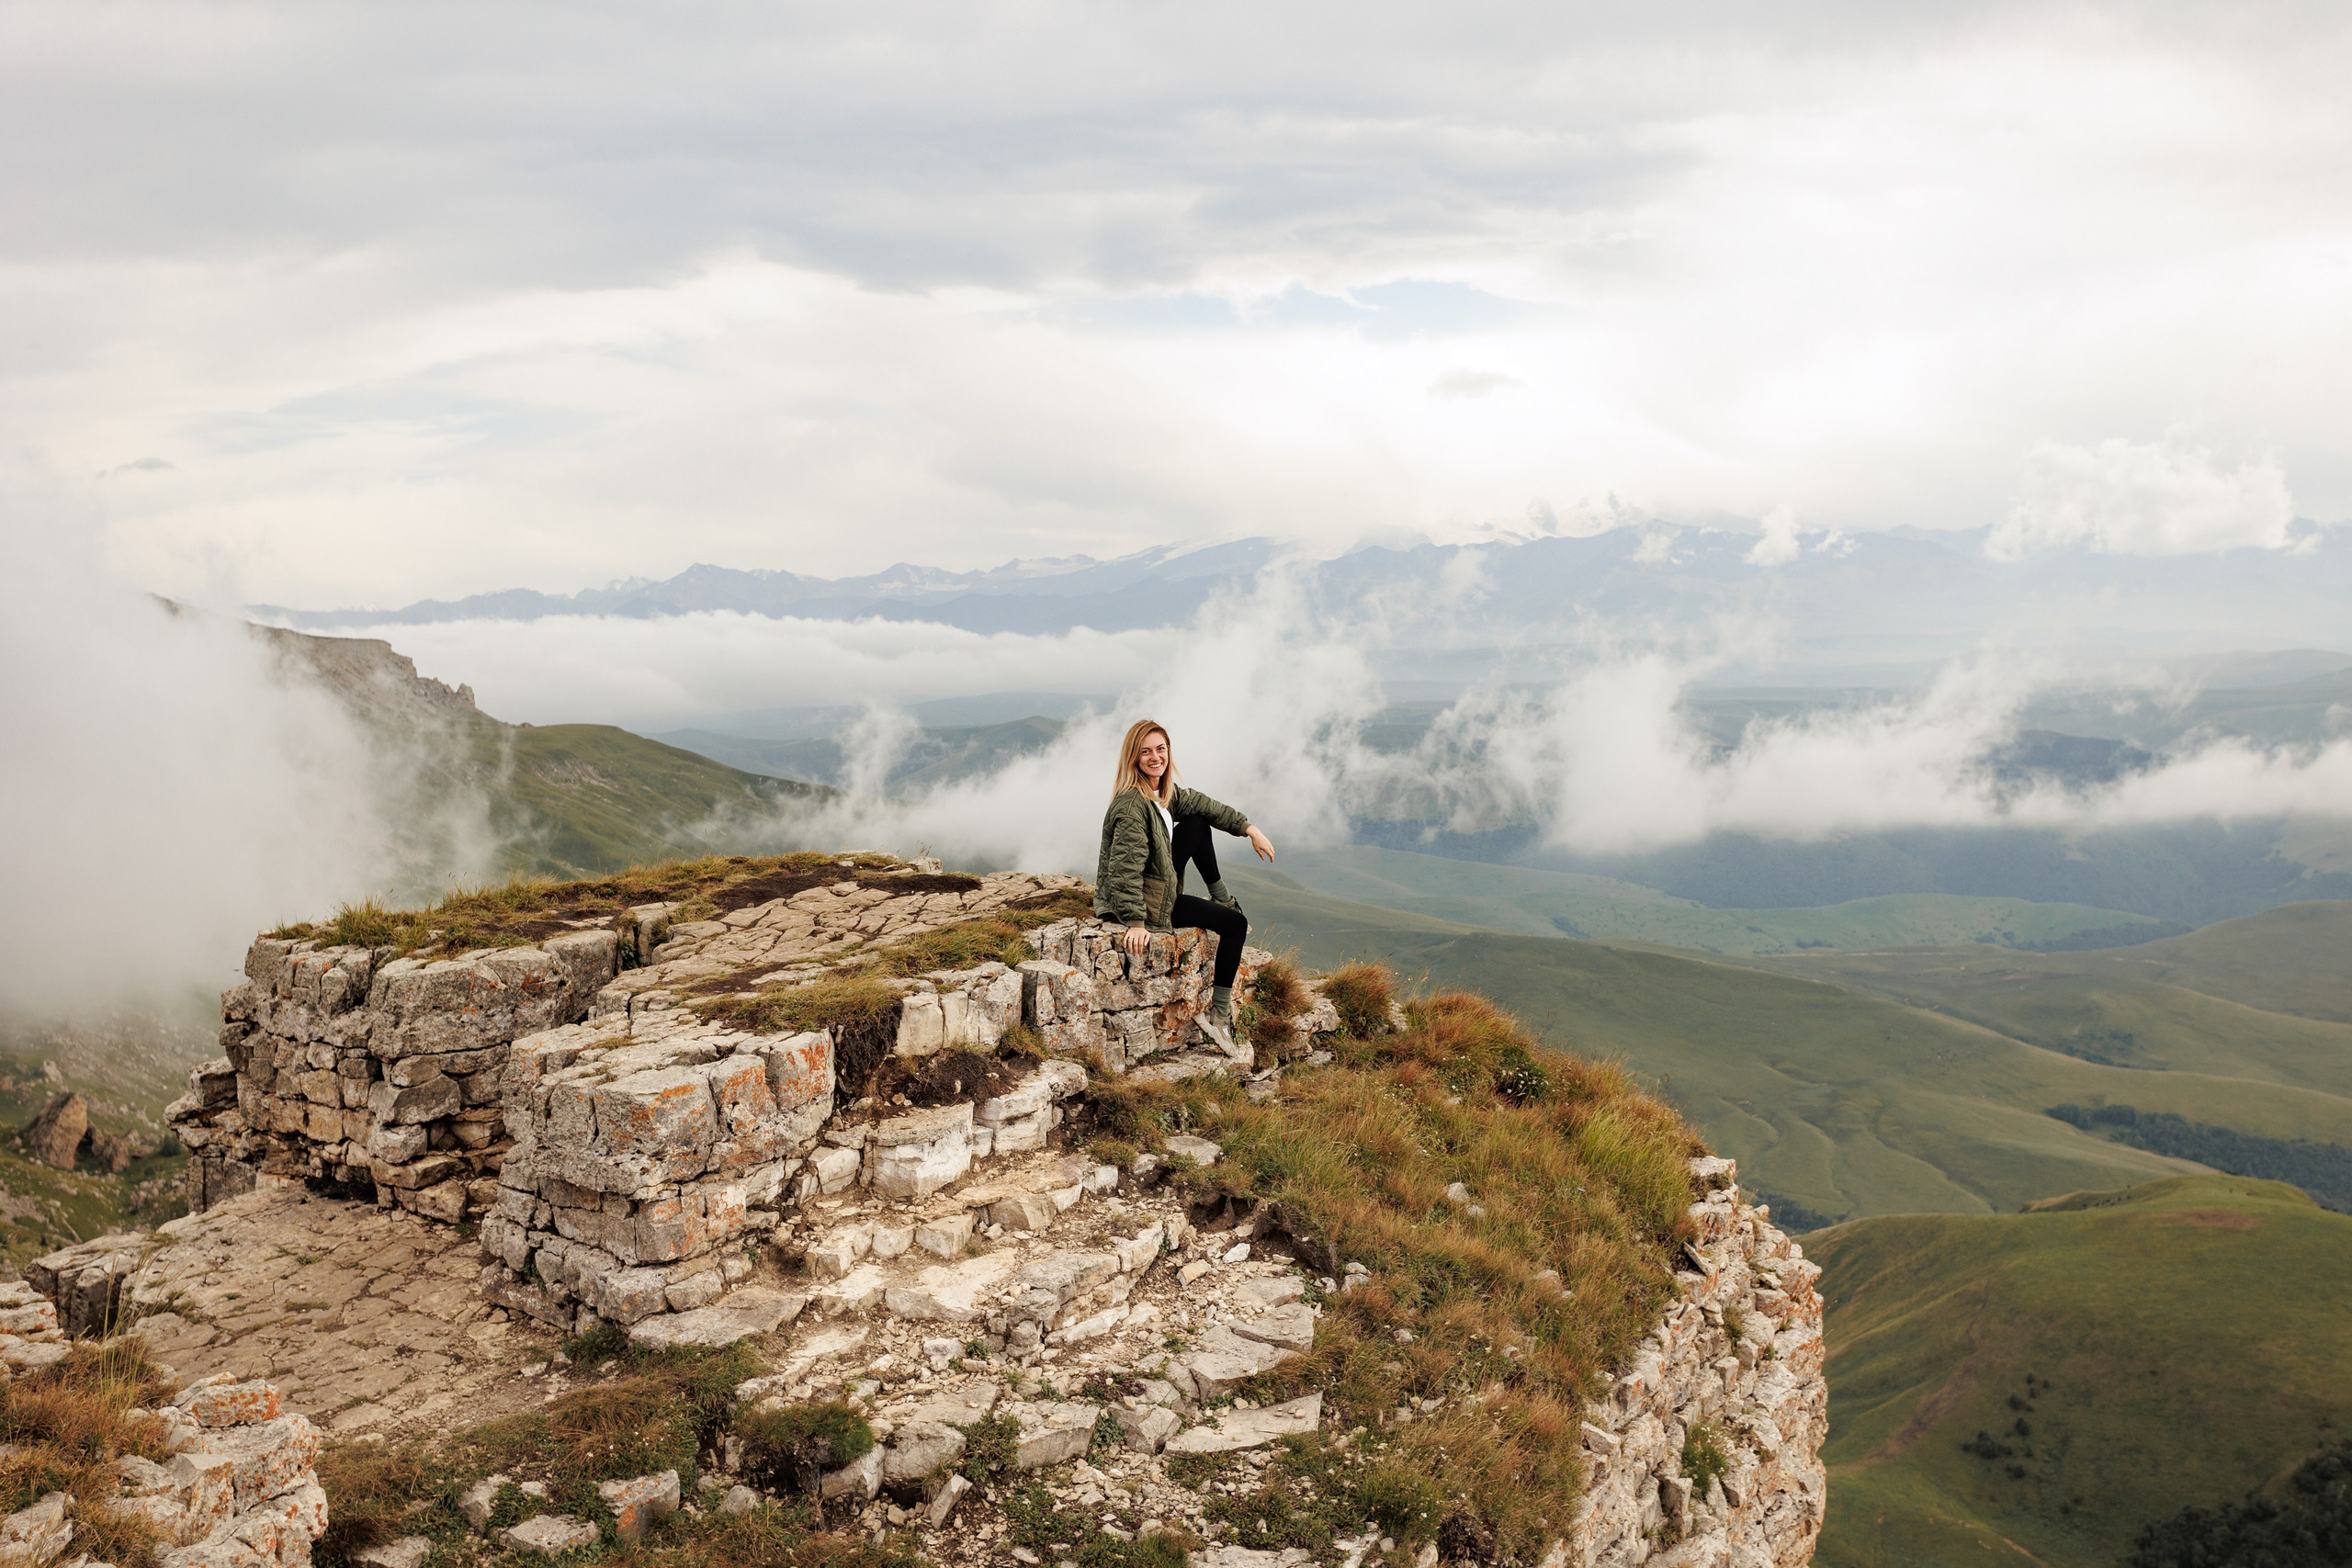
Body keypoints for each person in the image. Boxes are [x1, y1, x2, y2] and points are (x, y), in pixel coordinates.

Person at [1093, 718, 1276, 1051]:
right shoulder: (1132, 807)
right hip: (1149, 904)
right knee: (1235, 925)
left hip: (1159, 884)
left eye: (1160, 749)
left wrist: (1249, 828)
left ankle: (1222, 898)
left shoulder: (1160, 794)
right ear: (1133, 757)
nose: (1155, 757)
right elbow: (1124, 868)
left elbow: (1205, 806)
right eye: (1145, 751)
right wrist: (1135, 922)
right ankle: (1220, 1019)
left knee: (1197, 822)